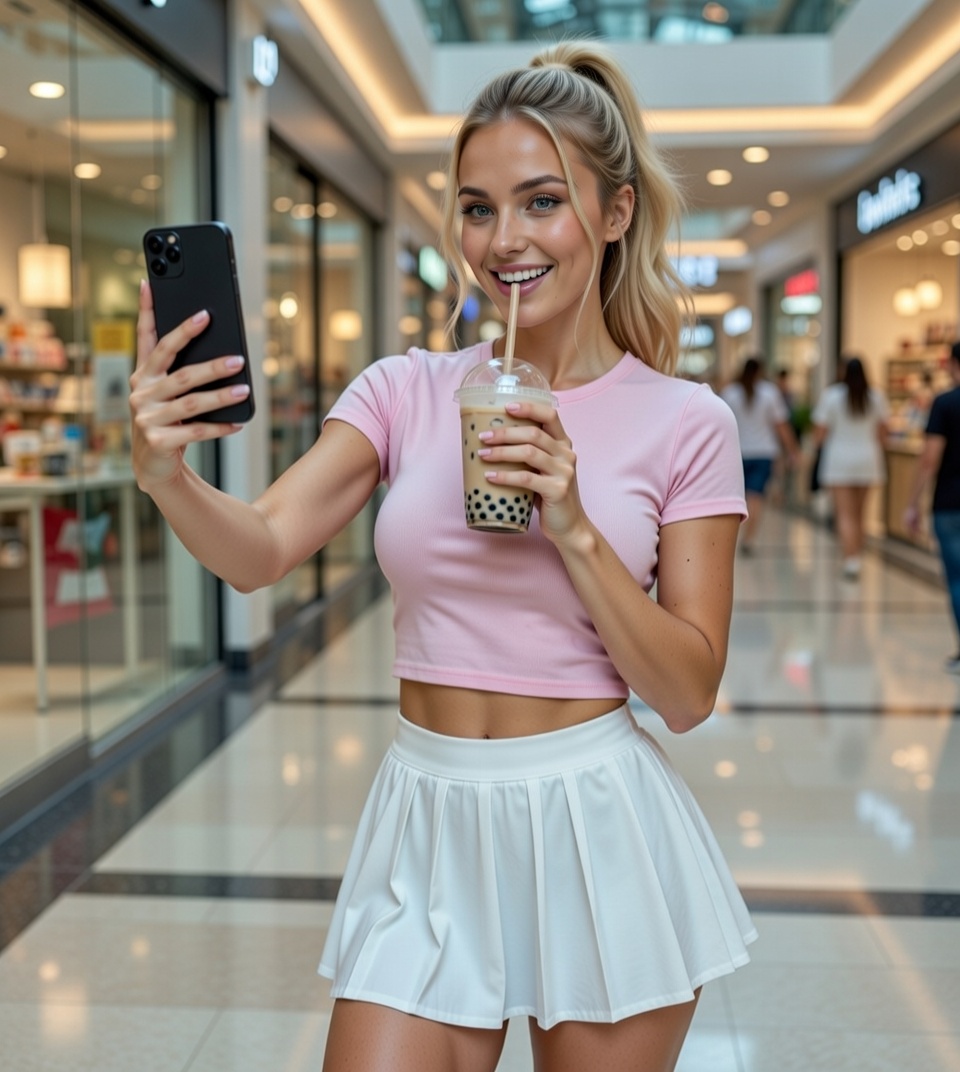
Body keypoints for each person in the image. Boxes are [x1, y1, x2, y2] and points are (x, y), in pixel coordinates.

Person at [130, 42, 756, 1072]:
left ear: (617, 212)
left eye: (542, 201)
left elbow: (687, 691)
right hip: (427, 815)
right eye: (477, 207)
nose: (503, 239)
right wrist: (165, 475)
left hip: (595, 825)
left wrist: (574, 525)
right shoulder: (407, 389)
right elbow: (261, 551)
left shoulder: (686, 422)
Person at [904, 341, 960, 671]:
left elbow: (929, 459)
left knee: (956, 578)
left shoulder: (945, 403)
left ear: (952, 362)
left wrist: (912, 504)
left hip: (950, 504)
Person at [812, 355, 889, 580]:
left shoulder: (832, 396)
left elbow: (819, 433)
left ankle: (850, 559)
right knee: (860, 514)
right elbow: (884, 432)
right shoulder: (876, 397)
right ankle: (856, 556)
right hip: (868, 459)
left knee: (844, 515)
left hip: (839, 460)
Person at [720, 356, 799, 554]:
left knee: (735, 500)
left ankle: (731, 540)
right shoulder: (770, 393)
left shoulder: (730, 393)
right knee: (756, 498)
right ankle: (749, 539)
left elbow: (720, 425)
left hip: (736, 453)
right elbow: (781, 426)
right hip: (763, 454)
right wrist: (793, 450)